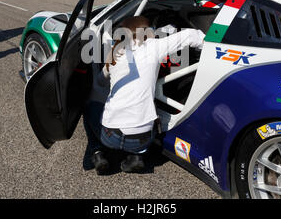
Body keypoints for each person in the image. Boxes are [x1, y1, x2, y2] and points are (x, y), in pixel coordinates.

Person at [83, 16, 205, 174]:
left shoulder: (114, 53)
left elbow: (101, 82)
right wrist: (206, 44)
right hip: (142, 140)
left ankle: (97, 153)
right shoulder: (153, 47)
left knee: (89, 108)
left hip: (111, 136)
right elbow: (190, 35)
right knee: (152, 111)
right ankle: (137, 157)